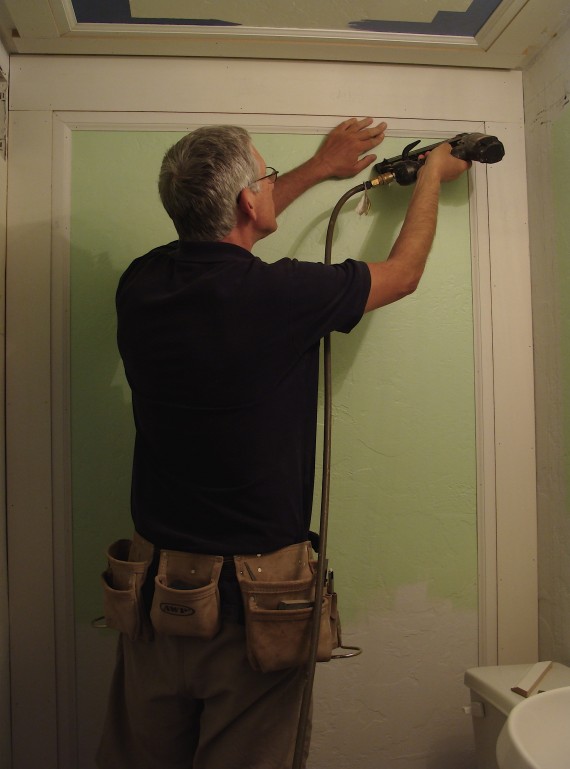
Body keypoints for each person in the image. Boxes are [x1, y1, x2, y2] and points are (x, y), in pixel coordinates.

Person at [97, 118, 469, 769]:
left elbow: (225, 226)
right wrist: (432, 175)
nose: (270, 184)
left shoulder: (141, 285)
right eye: (265, 177)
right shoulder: (283, 294)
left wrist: (323, 166)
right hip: (252, 615)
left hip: (157, 605)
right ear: (248, 200)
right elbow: (404, 273)